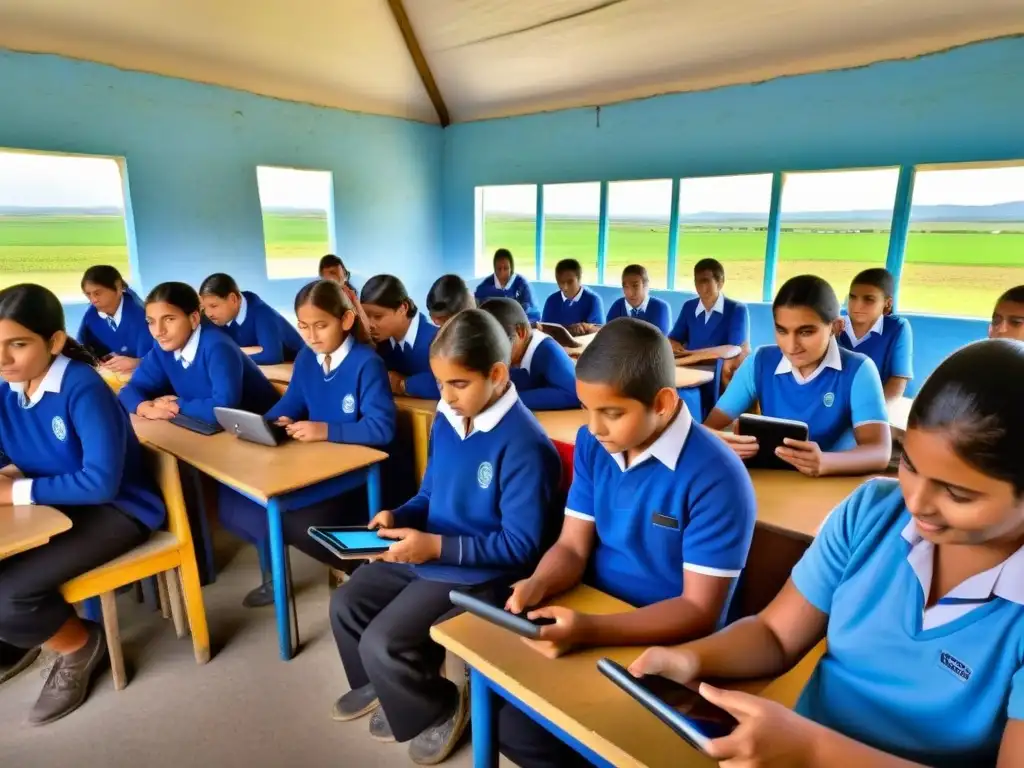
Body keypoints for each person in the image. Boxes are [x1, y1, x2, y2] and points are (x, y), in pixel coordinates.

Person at [629, 338, 1024, 768]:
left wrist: (814, 750)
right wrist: (690, 658)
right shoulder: (871, 513)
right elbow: (776, 635)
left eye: (957, 493)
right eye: (909, 464)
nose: (917, 503)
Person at [497, 318, 757, 768]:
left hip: (671, 648)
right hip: (594, 614)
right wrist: (538, 584)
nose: (594, 427)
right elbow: (573, 548)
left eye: (612, 413)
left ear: (662, 402)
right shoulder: (595, 445)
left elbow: (699, 611)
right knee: (515, 727)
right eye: (586, 409)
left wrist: (590, 631)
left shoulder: (717, 477)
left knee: (621, 743)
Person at [329, 309, 561, 765]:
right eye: (440, 385)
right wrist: (398, 514)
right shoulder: (448, 420)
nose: (446, 397)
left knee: (383, 641)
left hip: (481, 573)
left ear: (497, 374)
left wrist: (433, 546)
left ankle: (440, 705)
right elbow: (430, 494)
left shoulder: (525, 444)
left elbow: (521, 547)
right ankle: (390, 687)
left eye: (458, 385)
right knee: (347, 602)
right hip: (432, 553)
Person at [0, 284, 165, 726]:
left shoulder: (81, 387)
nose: (2, 359)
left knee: (10, 593)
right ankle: (22, 635)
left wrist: (13, 491)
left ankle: (79, 645)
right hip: (59, 502)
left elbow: (99, 484)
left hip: (119, 511)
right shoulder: (9, 388)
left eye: (17, 345)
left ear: (53, 342)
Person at [218, 279, 398, 607]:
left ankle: (358, 564)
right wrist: (272, 422)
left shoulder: (366, 363)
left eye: (320, 326)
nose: (311, 336)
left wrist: (324, 430)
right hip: (316, 467)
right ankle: (320, 568)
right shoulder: (306, 358)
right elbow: (293, 402)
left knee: (292, 518)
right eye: (303, 326)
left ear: (345, 320)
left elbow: (381, 428)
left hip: (356, 478)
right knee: (241, 502)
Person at [706, 275, 891, 477]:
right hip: (773, 481)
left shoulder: (860, 370)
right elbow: (708, 429)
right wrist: (721, 443)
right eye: (781, 331)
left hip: (834, 486)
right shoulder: (760, 361)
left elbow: (879, 452)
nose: (791, 346)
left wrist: (825, 462)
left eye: (806, 332)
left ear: (836, 327)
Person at [119, 282, 280, 424]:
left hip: (264, 432)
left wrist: (177, 405)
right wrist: (142, 407)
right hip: (212, 431)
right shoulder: (163, 347)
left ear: (194, 319)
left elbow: (225, 409)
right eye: (151, 322)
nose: (158, 331)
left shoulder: (218, 347)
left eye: (169, 319)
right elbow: (131, 389)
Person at [480, 297, 579, 410]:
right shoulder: (514, 352)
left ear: (520, 332)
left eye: (499, 347)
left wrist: (509, 400)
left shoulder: (546, 350)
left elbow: (574, 393)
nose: (493, 355)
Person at [838, 268, 914, 403]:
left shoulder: (897, 328)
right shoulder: (834, 326)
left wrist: (875, 415)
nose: (857, 305)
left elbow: (898, 379)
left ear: (888, 303)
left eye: (869, 299)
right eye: (852, 297)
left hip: (875, 406)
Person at [360, 275, 439, 399]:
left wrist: (403, 384)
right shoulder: (380, 343)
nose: (370, 325)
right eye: (366, 316)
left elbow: (450, 382)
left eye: (378, 316)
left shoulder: (438, 339)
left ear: (403, 308)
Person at [198, 273, 304, 365]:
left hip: (296, 365)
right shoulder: (214, 317)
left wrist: (230, 354)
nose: (208, 314)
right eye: (204, 307)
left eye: (213, 306)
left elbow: (272, 356)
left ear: (233, 299)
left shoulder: (262, 313)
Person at [668, 258, 750, 370]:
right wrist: (678, 350)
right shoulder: (689, 307)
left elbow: (734, 349)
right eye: (698, 281)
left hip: (718, 371)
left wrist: (692, 355)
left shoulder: (736, 309)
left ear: (720, 282)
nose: (701, 287)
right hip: (688, 366)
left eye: (706, 281)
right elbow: (673, 338)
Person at [76, 265, 151, 374]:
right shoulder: (91, 316)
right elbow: (81, 348)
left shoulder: (142, 315)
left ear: (118, 287)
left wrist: (138, 363)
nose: (93, 300)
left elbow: (166, 357)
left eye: (97, 293)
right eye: (88, 295)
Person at [541, 259, 604, 336]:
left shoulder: (593, 301)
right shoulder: (551, 301)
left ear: (579, 279)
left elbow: (601, 332)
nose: (565, 287)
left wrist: (587, 328)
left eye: (570, 282)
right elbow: (543, 330)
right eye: (561, 282)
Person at [474, 248, 540, 322]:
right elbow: (477, 313)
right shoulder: (484, 288)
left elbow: (533, 315)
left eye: (506, 268)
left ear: (511, 268)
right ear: (494, 268)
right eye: (499, 269)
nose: (502, 272)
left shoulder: (522, 285)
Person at [605, 264, 671, 334]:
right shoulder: (617, 306)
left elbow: (661, 340)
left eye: (635, 286)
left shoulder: (660, 308)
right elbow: (609, 337)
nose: (630, 292)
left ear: (645, 285)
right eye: (626, 287)